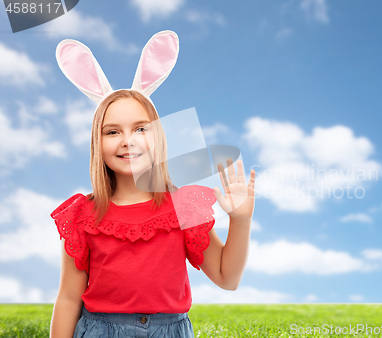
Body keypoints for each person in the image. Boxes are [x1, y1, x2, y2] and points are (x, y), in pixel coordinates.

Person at [49, 31, 256, 338]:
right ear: (97, 143)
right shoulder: (82, 214)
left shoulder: (184, 206)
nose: (128, 141)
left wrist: (240, 220)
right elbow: (68, 297)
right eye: (112, 132)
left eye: (140, 128)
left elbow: (228, 278)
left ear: (158, 136)